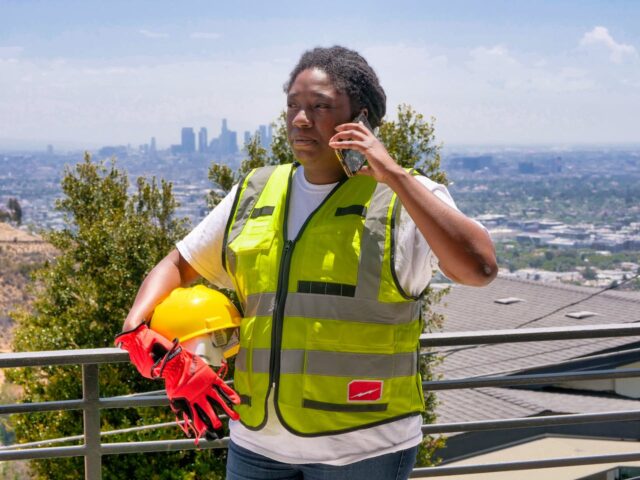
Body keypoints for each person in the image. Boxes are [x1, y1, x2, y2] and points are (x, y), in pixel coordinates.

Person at [120, 45, 497, 479]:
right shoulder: (256, 190)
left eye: (319, 107)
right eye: (293, 106)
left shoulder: (404, 198)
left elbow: (479, 269)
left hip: (365, 448)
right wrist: (136, 332)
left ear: (362, 120)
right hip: (256, 443)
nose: (301, 119)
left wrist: (393, 173)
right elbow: (176, 264)